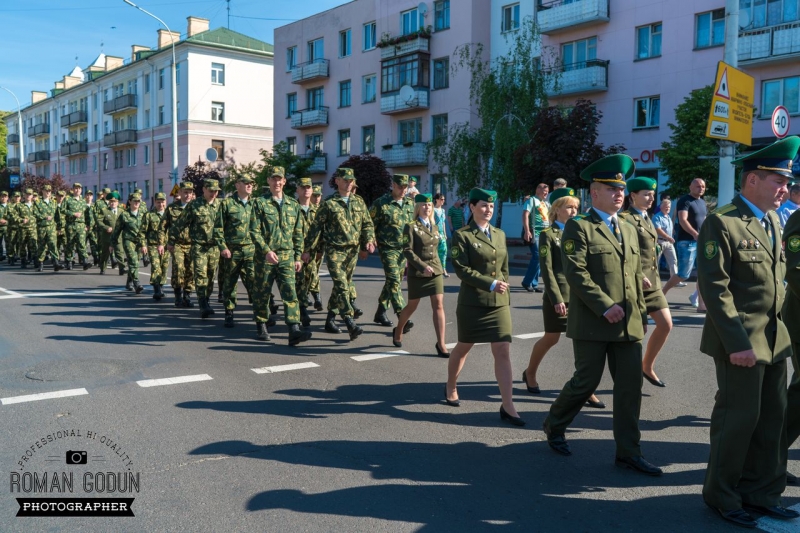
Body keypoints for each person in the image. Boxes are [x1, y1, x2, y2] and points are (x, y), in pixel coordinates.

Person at [698, 136, 799, 528]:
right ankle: (721, 495)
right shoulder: (722, 221)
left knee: (772, 423)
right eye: (778, 181)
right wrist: (737, 343)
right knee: (737, 421)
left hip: (776, 339)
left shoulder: (773, 220)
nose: (785, 189)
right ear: (753, 179)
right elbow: (715, 289)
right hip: (741, 342)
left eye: (786, 182)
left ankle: (762, 492)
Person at [543, 154, 661, 476]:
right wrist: (605, 305)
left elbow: (633, 273)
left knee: (629, 388)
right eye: (611, 189)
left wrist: (642, 306)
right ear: (594, 193)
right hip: (594, 322)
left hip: (628, 323)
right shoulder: (579, 227)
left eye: (621, 189)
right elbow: (576, 273)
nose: (619, 194)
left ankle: (628, 452)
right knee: (586, 382)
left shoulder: (629, 227)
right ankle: (554, 424)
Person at [520, 188, 604, 408]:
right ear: (556, 210)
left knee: (583, 342)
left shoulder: (581, 231)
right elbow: (547, 270)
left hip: (581, 296)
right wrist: (556, 298)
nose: (574, 210)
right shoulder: (548, 235)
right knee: (551, 338)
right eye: (569, 206)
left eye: (576, 207)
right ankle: (530, 373)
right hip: (560, 296)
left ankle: (587, 388)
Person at [445, 188, 523, 425]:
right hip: (474, 302)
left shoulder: (499, 234)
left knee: (502, 350)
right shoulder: (462, 235)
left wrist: (504, 285)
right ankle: (451, 385)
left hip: (498, 303)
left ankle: (508, 405)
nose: (488, 210)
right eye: (483, 206)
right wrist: (491, 284)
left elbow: (504, 266)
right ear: (472, 208)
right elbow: (462, 269)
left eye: (491, 206)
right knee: (464, 347)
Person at [303, 167, 375, 340]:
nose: (349, 183)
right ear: (337, 181)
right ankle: (349, 321)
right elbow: (315, 229)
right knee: (343, 286)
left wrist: (369, 240)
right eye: (345, 180)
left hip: (352, 251)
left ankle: (330, 319)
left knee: (340, 286)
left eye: (351, 181)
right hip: (335, 250)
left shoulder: (358, 201)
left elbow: (367, 223)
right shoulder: (329, 204)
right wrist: (307, 250)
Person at [620, 178, 674, 388]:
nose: (651, 198)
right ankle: (597, 381)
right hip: (635, 282)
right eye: (646, 194)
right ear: (632, 195)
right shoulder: (626, 219)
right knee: (636, 333)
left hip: (652, 282)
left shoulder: (647, 218)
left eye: (652, 195)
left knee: (666, 324)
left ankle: (647, 366)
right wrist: (636, 275)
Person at [250, 167, 312, 345]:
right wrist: (266, 251)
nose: (277, 182)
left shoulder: (293, 204)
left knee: (290, 292)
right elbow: (254, 231)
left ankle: (294, 329)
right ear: (268, 181)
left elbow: (298, 234)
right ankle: (261, 324)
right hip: (266, 256)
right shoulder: (259, 203)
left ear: (284, 181)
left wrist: (298, 257)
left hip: (287, 256)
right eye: (273, 179)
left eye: (280, 179)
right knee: (262, 292)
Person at [393, 194, 448, 356]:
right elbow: (407, 250)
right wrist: (422, 266)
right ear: (418, 208)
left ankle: (441, 343)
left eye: (429, 205)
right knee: (412, 306)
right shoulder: (410, 226)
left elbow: (439, 249)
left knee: (438, 304)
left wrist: (441, 267)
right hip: (417, 272)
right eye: (424, 205)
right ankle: (398, 330)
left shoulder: (435, 226)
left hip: (435, 271)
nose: (427, 208)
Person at [169, 179, 221, 317]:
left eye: (216, 191)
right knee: (200, 274)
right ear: (204, 189)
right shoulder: (194, 205)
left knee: (210, 276)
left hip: (215, 247)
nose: (213, 194)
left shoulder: (221, 205)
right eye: (211, 191)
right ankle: (202, 303)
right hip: (198, 246)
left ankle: (207, 299)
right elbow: (179, 224)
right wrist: (171, 241)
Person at [370, 174, 415, 328]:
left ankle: (380, 312)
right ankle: (402, 315)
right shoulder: (381, 203)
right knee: (395, 280)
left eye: (405, 187)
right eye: (400, 186)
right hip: (387, 248)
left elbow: (414, 227)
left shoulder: (410, 203)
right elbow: (369, 225)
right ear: (393, 185)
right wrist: (368, 242)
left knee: (392, 280)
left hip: (404, 250)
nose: (403, 190)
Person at [215, 174, 257, 327]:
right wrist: (223, 247)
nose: (249, 185)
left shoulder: (256, 204)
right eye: (246, 183)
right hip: (232, 251)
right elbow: (218, 228)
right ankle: (229, 312)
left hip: (252, 250)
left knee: (254, 281)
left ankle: (258, 311)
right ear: (237, 185)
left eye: (251, 183)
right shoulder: (227, 204)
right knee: (230, 282)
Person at [662, 178, 707, 312]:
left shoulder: (702, 202)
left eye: (703, 187)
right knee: (683, 274)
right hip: (687, 242)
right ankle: (661, 294)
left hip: (701, 242)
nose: (701, 188)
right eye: (698, 186)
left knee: (702, 273)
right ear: (691, 187)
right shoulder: (685, 201)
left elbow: (703, 220)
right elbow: (683, 220)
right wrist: (695, 234)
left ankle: (701, 305)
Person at [161, 182, 196, 308]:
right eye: (185, 192)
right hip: (177, 244)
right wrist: (162, 243)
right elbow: (163, 226)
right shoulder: (171, 208)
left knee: (191, 270)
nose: (187, 195)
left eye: (190, 192)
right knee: (179, 269)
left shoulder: (196, 208)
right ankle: (178, 296)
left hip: (192, 244)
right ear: (180, 193)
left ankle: (187, 296)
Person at [111, 193, 146, 294]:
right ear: (130, 201)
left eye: (138, 201)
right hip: (128, 241)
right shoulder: (124, 215)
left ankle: (129, 281)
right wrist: (112, 244)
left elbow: (146, 230)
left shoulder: (143, 214)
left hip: (139, 241)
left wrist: (145, 244)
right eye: (134, 201)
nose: (136, 203)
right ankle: (136, 282)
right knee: (133, 261)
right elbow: (117, 230)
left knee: (135, 262)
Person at [295, 177, 318, 327]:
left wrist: (319, 250)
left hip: (312, 253)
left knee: (309, 280)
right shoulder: (292, 208)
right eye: (303, 187)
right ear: (297, 190)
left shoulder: (316, 211)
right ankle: (302, 311)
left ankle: (302, 307)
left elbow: (321, 232)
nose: (306, 190)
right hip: (295, 253)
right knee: (298, 282)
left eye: (308, 187)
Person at [521, 183, 550, 292]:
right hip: (535, 234)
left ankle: (534, 284)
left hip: (544, 234)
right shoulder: (531, 201)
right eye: (544, 191)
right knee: (537, 256)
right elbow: (525, 215)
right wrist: (527, 231)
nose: (546, 193)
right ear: (538, 190)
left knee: (541, 257)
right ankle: (527, 282)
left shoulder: (544, 203)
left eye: (547, 191)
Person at [140, 192, 168, 300]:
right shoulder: (149, 215)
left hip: (166, 245)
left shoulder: (168, 214)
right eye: (158, 202)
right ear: (155, 203)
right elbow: (142, 232)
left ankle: (161, 287)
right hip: (153, 245)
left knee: (164, 267)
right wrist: (143, 245)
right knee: (156, 267)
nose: (160, 204)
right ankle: (157, 289)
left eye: (162, 202)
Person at [33, 185, 60, 272]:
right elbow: (35, 213)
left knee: (53, 244)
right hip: (42, 227)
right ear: (43, 191)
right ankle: (40, 264)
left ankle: (56, 263)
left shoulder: (54, 203)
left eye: (49, 191)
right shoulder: (38, 203)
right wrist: (45, 217)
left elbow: (57, 215)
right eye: (46, 190)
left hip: (51, 227)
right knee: (42, 246)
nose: (48, 192)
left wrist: (59, 227)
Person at [652, 199, 678, 281]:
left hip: (669, 242)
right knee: (656, 262)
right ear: (661, 206)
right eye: (666, 206)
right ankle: (654, 280)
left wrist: (672, 232)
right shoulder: (657, 217)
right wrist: (668, 237)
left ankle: (674, 280)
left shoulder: (668, 217)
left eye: (669, 207)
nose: (668, 208)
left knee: (673, 261)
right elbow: (658, 229)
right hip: (660, 242)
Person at [308, 185, 324, 311]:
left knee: (314, 272)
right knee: (311, 273)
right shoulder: (302, 208)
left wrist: (320, 250)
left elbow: (323, 233)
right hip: (305, 248)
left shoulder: (322, 209)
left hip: (318, 248)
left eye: (319, 195)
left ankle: (309, 294)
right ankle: (316, 296)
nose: (317, 198)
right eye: (315, 195)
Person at [12, 189, 37, 269]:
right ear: (24, 195)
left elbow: (40, 215)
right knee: (22, 245)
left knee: (33, 244)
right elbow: (14, 216)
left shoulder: (36, 205)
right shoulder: (19, 205)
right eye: (27, 194)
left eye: (30, 194)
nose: (28, 196)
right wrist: (21, 220)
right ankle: (23, 261)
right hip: (22, 228)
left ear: (32, 195)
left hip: (32, 228)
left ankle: (35, 260)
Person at [433, 193, 449, 277]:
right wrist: (435, 233)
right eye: (441, 199)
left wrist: (445, 234)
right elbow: (432, 223)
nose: (443, 201)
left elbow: (443, 223)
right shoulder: (433, 210)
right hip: (435, 233)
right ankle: (436, 269)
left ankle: (444, 269)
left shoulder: (443, 210)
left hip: (442, 234)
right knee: (435, 252)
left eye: (444, 199)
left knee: (444, 251)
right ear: (437, 200)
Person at [0, 191, 8, 261]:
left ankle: (10, 256)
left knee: (9, 242)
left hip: (8, 227)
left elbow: (14, 216)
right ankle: (0, 255)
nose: (3, 198)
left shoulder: (11, 206)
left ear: (7, 198)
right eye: (2, 196)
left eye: (5, 197)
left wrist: (6, 221)